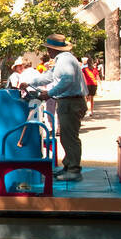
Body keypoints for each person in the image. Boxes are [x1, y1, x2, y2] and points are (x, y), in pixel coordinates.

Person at [27, 34, 87, 182]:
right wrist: (29, 82)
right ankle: (69, 166)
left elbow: (67, 80)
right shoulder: (63, 59)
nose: (48, 52)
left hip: (70, 102)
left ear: (52, 49)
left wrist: (50, 93)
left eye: (48, 49)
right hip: (69, 102)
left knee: (69, 137)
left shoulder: (65, 60)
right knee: (67, 136)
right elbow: (49, 76)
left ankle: (73, 170)